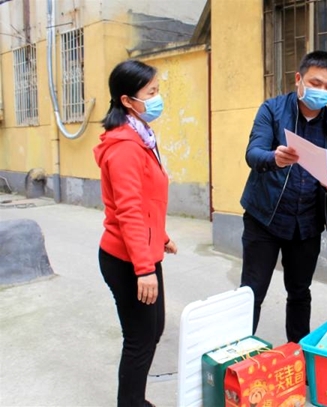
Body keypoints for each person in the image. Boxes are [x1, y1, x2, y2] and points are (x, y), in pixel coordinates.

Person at [240, 50, 327, 343]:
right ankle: (238, 354)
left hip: (307, 224)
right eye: (315, 83)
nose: (322, 91)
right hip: (265, 217)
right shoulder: (272, 110)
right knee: (251, 292)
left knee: (300, 293)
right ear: (299, 79)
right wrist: (274, 158)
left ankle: (297, 353)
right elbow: (253, 153)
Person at [94, 59, 178, 407]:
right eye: (151, 92)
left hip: (144, 249)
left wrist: (161, 236)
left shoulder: (140, 136)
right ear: (128, 100)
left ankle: (135, 401)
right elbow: (128, 211)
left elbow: (146, 201)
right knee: (140, 339)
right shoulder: (126, 147)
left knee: (153, 329)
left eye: (157, 90)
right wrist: (144, 269)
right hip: (127, 259)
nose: (157, 99)